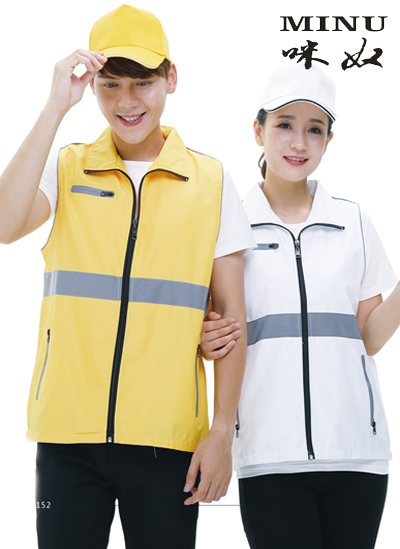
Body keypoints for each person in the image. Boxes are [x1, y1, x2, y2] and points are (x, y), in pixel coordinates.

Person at [0, 5, 254, 548]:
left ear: (171, 78)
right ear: (92, 86)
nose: (126, 101)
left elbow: (233, 319)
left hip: (168, 441)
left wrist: (221, 434)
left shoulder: (210, 182)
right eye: (109, 84)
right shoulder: (66, 165)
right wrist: (53, 108)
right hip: (67, 437)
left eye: (142, 82)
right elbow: (3, 225)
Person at [201, 64, 400, 549]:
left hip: (356, 454)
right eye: (285, 125)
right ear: (258, 131)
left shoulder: (353, 222)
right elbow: (212, 333)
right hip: (269, 455)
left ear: (329, 140)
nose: (298, 142)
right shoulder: (229, 227)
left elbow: (368, 337)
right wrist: (204, 340)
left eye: (314, 130)